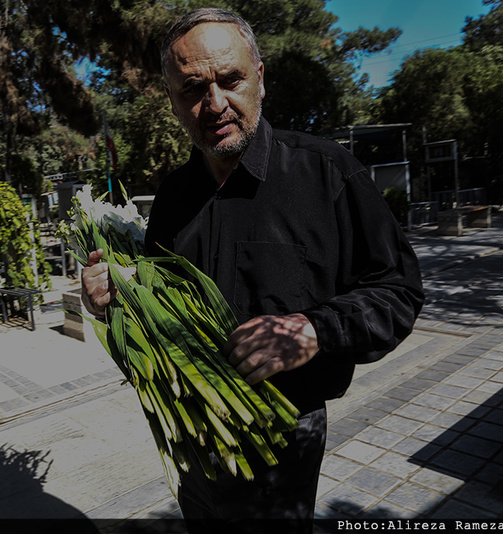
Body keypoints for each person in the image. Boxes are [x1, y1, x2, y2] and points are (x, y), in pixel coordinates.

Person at [82, 7, 424, 533]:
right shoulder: (172, 199)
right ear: (172, 101)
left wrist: (311, 329)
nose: (215, 104)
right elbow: (155, 322)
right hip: (192, 433)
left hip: (284, 434)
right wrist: (109, 301)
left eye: (230, 79)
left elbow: (398, 291)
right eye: (193, 89)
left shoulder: (325, 171)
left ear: (259, 78)